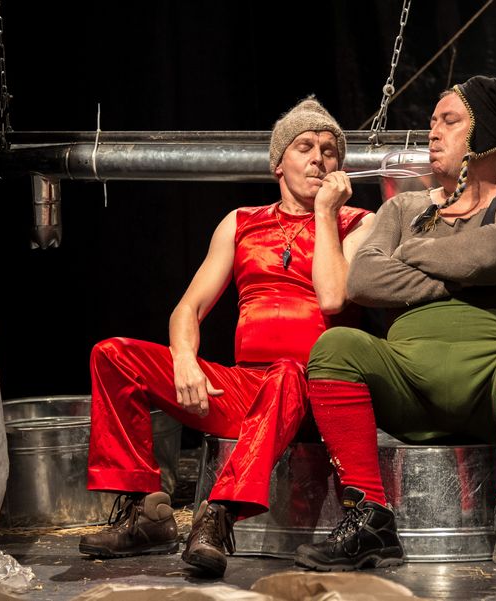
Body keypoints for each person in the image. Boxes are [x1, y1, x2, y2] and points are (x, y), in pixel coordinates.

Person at [295, 76, 496, 575]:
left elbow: (483, 258)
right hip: (409, 388)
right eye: (432, 122)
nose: (432, 133)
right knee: (337, 345)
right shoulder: (403, 207)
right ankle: (369, 518)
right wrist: (470, 275)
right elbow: (364, 280)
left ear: (486, 134)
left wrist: (411, 252)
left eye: (449, 121)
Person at [77, 97, 374, 578]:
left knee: (287, 374)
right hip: (247, 386)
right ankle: (144, 513)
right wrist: (184, 359)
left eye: (329, 151)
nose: (319, 159)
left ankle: (217, 517)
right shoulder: (241, 222)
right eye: (305, 147)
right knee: (113, 355)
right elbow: (188, 309)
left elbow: (335, 298)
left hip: (315, 389)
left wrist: (325, 214)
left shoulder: (356, 222)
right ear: (278, 163)